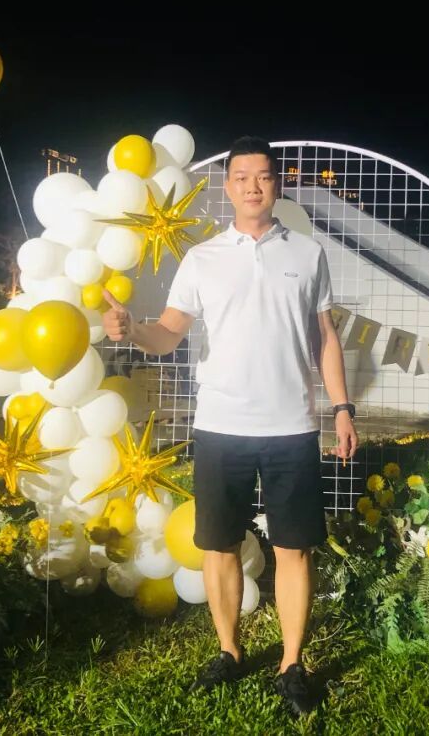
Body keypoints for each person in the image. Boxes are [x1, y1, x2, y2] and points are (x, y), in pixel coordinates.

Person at [102, 136, 358, 715]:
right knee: (219, 547)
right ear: (228, 187)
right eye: (241, 177)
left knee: (294, 549)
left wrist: (342, 407)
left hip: (292, 426)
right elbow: (168, 333)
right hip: (221, 425)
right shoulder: (203, 258)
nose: (252, 187)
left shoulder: (308, 254)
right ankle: (230, 650)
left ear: (277, 183)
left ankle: (291, 664)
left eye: (263, 176)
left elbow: (325, 338)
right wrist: (132, 329)